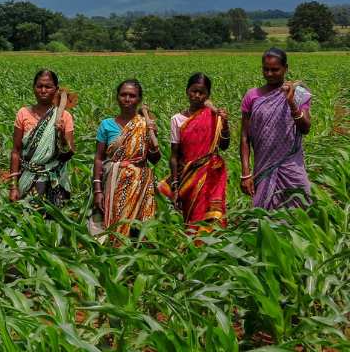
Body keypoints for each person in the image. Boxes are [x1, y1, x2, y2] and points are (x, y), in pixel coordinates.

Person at [240, 48, 312, 209]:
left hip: (291, 164)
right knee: (262, 213)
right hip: (264, 165)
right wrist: (245, 173)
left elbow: (306, 127)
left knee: (302, 207)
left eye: (275, 69)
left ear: (285, 68)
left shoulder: (299, 94)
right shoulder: (252, 96)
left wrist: (292, 102)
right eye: (266, 69)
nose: (270, 73)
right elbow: (245, 137)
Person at [89, 79, 161, 239]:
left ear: (139, 100)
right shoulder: (106, 125)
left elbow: (155, 159)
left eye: (132, 96)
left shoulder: (145, 124)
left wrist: (153, 136)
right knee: (113, 225)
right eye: (123, 95)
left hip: (140, 184)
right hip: (113, 182)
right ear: (117, 97)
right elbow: (99, 158)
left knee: (137, 229)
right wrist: (97, 190)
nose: (127, 99)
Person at [160, 73, 229, 231]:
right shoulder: (177, 120)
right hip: (189, 176)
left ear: (207, 95)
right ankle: (193, 248)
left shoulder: (214, 116)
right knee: (191, 216)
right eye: (193, 91)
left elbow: (224, 146)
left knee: (212, 216)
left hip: (211, 175)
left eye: (202, 92)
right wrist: (176, 185)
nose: (197, 95)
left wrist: (225, 124)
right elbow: (174, 155)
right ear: (187, 91)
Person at [9, 69, 75, 206]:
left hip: (54, 181)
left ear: (56, 89)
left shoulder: (64, 116)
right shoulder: (23, 113)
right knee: (25, 220)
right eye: (39, 86)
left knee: (52, 221)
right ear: (34, 88)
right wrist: (13, 186)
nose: (43, 90)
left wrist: (62, 135)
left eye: (48, 87)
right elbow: (16, 150)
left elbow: (68, 154)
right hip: (27, 179)